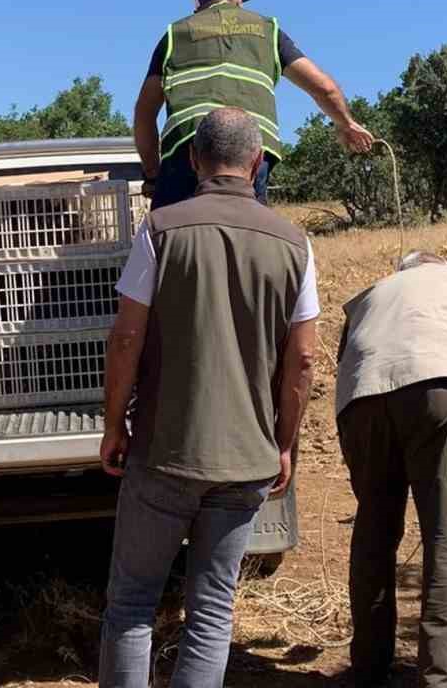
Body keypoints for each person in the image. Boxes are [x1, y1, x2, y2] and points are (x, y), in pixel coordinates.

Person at [98, 107, 319, 687]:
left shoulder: (161, 229)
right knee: (213, 610)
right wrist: (285, 443)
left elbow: (125, 337)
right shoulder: (297, 245)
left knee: (132, 604)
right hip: (248, 459)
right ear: (256, 162)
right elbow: (302, 359)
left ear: (193, 160)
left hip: (164, 452)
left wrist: (114, 423)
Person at [334, 252, 447, 687]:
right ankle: (443, 678)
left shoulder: (367, 297)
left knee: (374, 530)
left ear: (402, 272)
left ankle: (369, 667)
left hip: (361, 402)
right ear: (438, 263)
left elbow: (348, 364)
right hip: (441, 389)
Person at [133, 0, 375, 209]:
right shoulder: (267, 29)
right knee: (251, 236)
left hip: (188, 145)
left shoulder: (176, 34)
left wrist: (153, 174)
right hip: (249, 148)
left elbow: (144, 113)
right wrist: (346, 124)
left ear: (199, 5)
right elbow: (325, 89)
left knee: (165, 235)